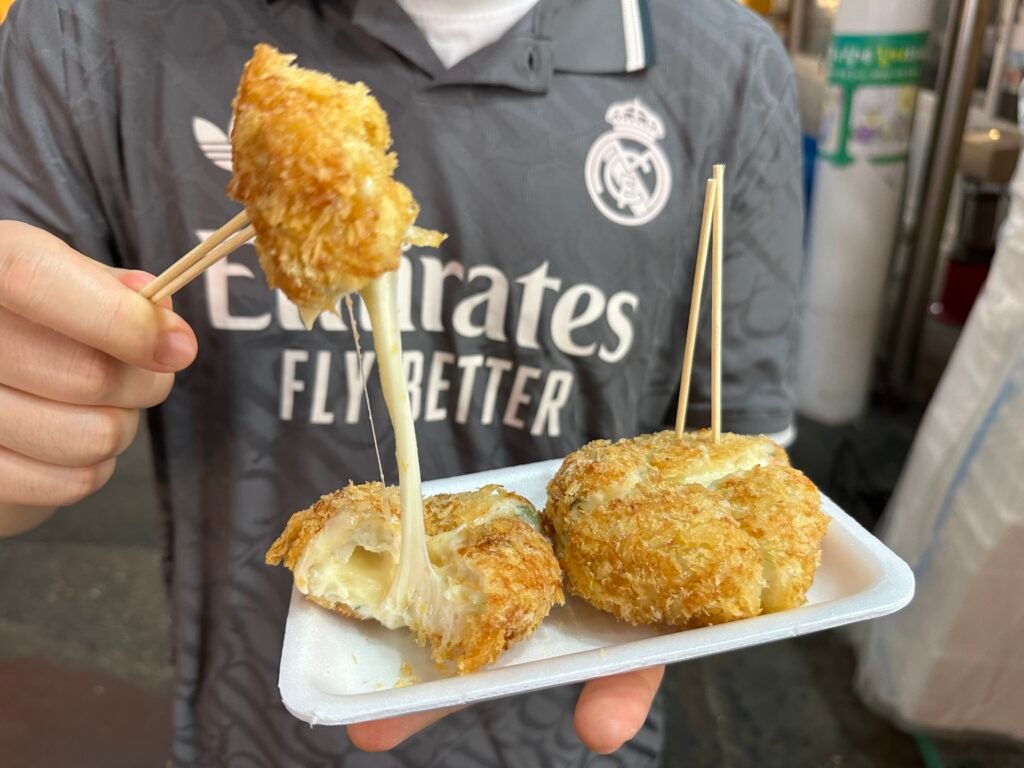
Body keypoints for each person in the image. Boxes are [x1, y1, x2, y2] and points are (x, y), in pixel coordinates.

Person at [0, 0, 803, 764]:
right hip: (247, 722)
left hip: (567, 731)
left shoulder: (726, 71)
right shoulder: (90, 31)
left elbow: (741, 455)